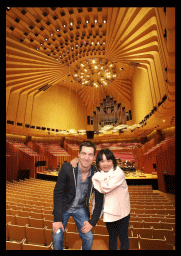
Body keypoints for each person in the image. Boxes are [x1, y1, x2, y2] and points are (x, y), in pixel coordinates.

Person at [72, 148, 130, 250]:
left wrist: (95, 177)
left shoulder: (118, 173)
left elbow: (105, 188)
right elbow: (98, 201)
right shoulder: (98, 176)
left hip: (122, 213)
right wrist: (92, 222)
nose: (105, 164)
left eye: (108, 160)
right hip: (109, 213)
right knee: (112, 238)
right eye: (102, 161)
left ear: (113, 161)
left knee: (123, 238)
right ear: (98, 162)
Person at [52, 141, 104, 250]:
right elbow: (58, 193)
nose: (86, 157)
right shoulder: (67, 168)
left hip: (80, 208)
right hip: (64, 208)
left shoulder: (97, 174)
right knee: (57, 238)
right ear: (79, 154)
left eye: (90, 154)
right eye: (84, 153)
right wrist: (57, 219)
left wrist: (92, 223)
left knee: (89, 238)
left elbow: (99, 201)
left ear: (94, 157)